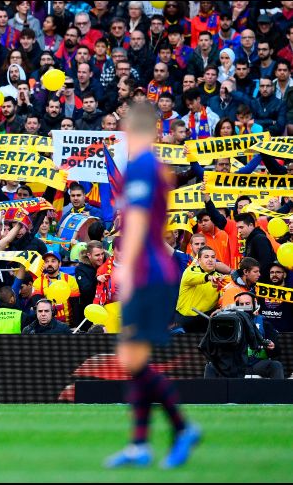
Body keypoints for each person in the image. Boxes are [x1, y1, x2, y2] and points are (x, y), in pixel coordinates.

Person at [105, 102, 199, 469]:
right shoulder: (152, 167)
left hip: (147, 271)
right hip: (154, 269)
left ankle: (178, 428)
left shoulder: (143, 165)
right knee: (134, 358)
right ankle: (141, 444)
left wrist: (126, 266)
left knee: (133, 357)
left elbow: (141, 217)